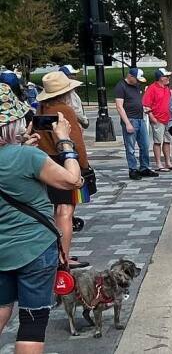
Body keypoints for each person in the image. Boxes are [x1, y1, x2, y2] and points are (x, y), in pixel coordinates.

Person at [0, 84, 83, 353]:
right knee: (32, 324)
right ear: (13, 122)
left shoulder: (23, 153)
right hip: (34, 248)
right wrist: (64, 141)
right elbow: (72, 180)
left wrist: (21, 144)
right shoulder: (27, 157)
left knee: (2, 307)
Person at [35, 71, 94, 270]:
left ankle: (56, 254)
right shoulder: (64, 111)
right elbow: (76, 142)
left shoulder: (41, 109)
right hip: (65, 161)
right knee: (66, 211)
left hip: (45, 163)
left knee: (55, 212)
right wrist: (84, 168)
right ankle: (64, 258)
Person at [114, 68, 156, 180]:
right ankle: (132, 169)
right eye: (137, 79)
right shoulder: (121, 86)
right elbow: (119, 106)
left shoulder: (136, 85)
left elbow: (138, 100)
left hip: (140, 118)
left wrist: (144, 108)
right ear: (130, 76)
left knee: (145, 145)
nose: (138, 82)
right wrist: (127, 123)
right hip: (130, 119)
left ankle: (144, 167)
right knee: (130, 147)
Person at [142, 68, 172, 172]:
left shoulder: (166, 88)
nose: (168, 78)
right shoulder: (152, 89)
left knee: (167, 141)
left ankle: (168, 162)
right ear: (161, 78)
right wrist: (152, 117)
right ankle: (158, 164)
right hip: (158, 119)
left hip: (167, 118)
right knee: (158, 142)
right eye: (166, 76)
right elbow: (146, 104)